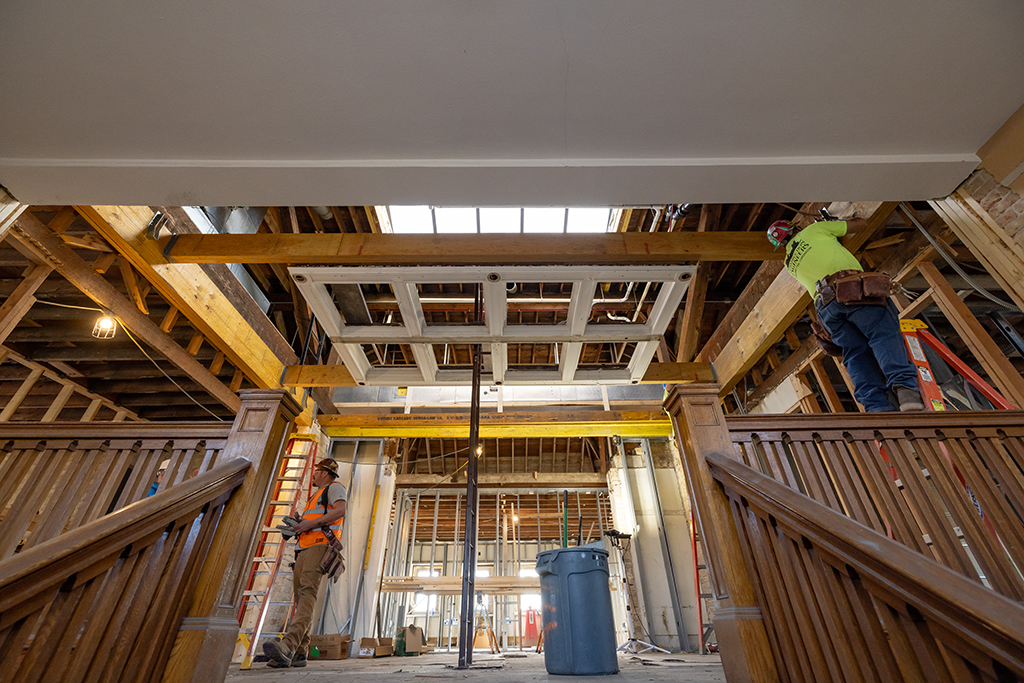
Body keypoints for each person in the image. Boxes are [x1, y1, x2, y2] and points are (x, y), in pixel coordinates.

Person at [768, 218, 925, 412]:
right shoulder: (815, 229)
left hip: (826, 308)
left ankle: (876, 408)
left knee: (855, 353)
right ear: (796, 227)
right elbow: (862, 224)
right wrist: (833, 221)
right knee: (883, 334)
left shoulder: (789, 262)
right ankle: (906, 392)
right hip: (850, 290)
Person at [263, 458, 347, 668]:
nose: (314, 475)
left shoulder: (335, 488)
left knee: (307, 593)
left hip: (319, 546)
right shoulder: (315, 496)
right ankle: (300, 653)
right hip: (304, 548)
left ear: (326, 473)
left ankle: (288, 645)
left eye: (317, 471)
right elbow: (315, 519)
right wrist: (300, 526)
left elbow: (340, 511)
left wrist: (311, 524)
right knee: (302, 600)